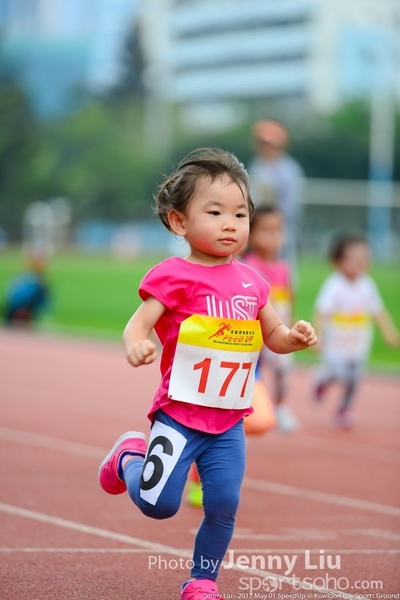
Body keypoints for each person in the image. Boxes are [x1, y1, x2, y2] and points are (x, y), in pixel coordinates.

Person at [98, 147, 317, 600]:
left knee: (223, 504)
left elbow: (271, 332)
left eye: (240, 213)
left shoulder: (253, 282)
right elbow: (139, 323)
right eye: (214, 212)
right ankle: (127, 458)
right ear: (180, 222)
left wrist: (291, 337)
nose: (230, 223)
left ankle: (202, 581)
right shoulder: (173, 275)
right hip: (179, 415)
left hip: (228, 420)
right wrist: (137, 342)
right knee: (160, 506)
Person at [313, 232, 399, 428]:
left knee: (354, 379)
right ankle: (321, 381)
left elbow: (378, 311)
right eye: (352, 259)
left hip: (358, 344)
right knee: (338, 373)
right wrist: (318, 335)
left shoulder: (367, 285)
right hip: (336, 345)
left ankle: (344, 408)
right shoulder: (334, 285)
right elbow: (322, 311)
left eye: (363, 258)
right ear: (338, 261)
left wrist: (388, 331)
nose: (358, 263)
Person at [242, 206, 299, 432]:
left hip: (279, 331)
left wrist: (291, 325)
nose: (274, 237)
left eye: (278, 231)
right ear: (251, 234)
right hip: (254, 333)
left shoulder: (285, 268)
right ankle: (250, 409)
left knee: (283, 370)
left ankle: (281, 406)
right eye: (266, 231)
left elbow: (289, 297)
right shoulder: (249, 266)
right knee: (251, 373)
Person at [247, 119, 304, 275]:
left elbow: (291, 205)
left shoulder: (289, 170)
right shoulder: (257, 165)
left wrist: (273, 223)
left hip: (279, 227)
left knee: (282, 269)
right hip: (257, 228)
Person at [2, 252, 50, 327]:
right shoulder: (26, 276)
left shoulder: (40, 280)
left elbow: (42, 296)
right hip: (19, 303)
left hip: (27, 304)